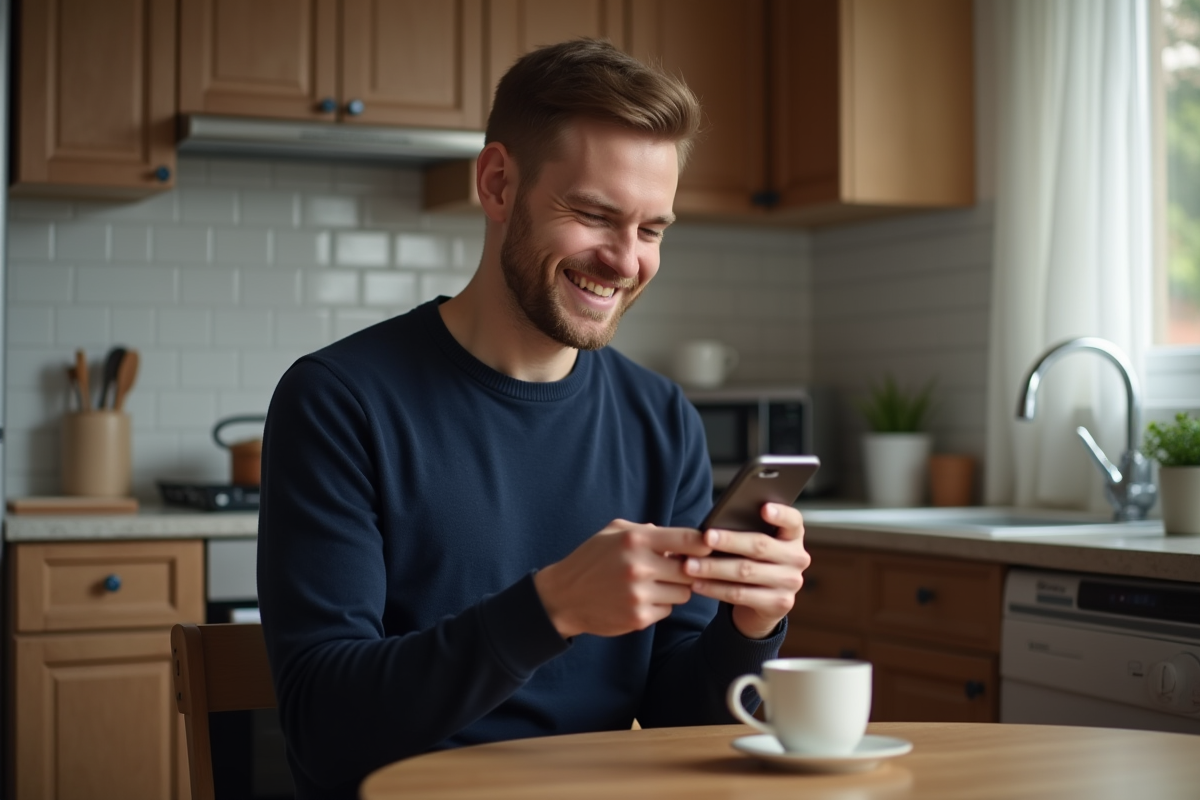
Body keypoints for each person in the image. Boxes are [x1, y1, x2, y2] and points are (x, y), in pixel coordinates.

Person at [257, 38, 811, 800]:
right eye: (593, 214)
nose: (625, 261)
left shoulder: (661, 418)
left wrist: (750, 628)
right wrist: (550, 608)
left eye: (651, 230)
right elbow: (323, 730)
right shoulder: (338, 400)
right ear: (497, 184)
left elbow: (682, 719)